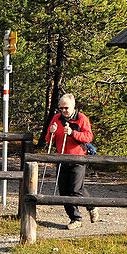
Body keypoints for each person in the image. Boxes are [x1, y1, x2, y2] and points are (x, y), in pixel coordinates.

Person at [47, 93, 99, 228]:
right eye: (61, 108)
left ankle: (92, 206)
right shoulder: (56, 119)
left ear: (73, 106)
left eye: (66, 108)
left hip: (78, 159)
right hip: (61, 158)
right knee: (64, 191)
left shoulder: (81, 118)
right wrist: (51, 132)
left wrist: (72, 133)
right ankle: (75, 219)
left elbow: (88, 137)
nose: (64, 111)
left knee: (76, 189)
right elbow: (48, 140)